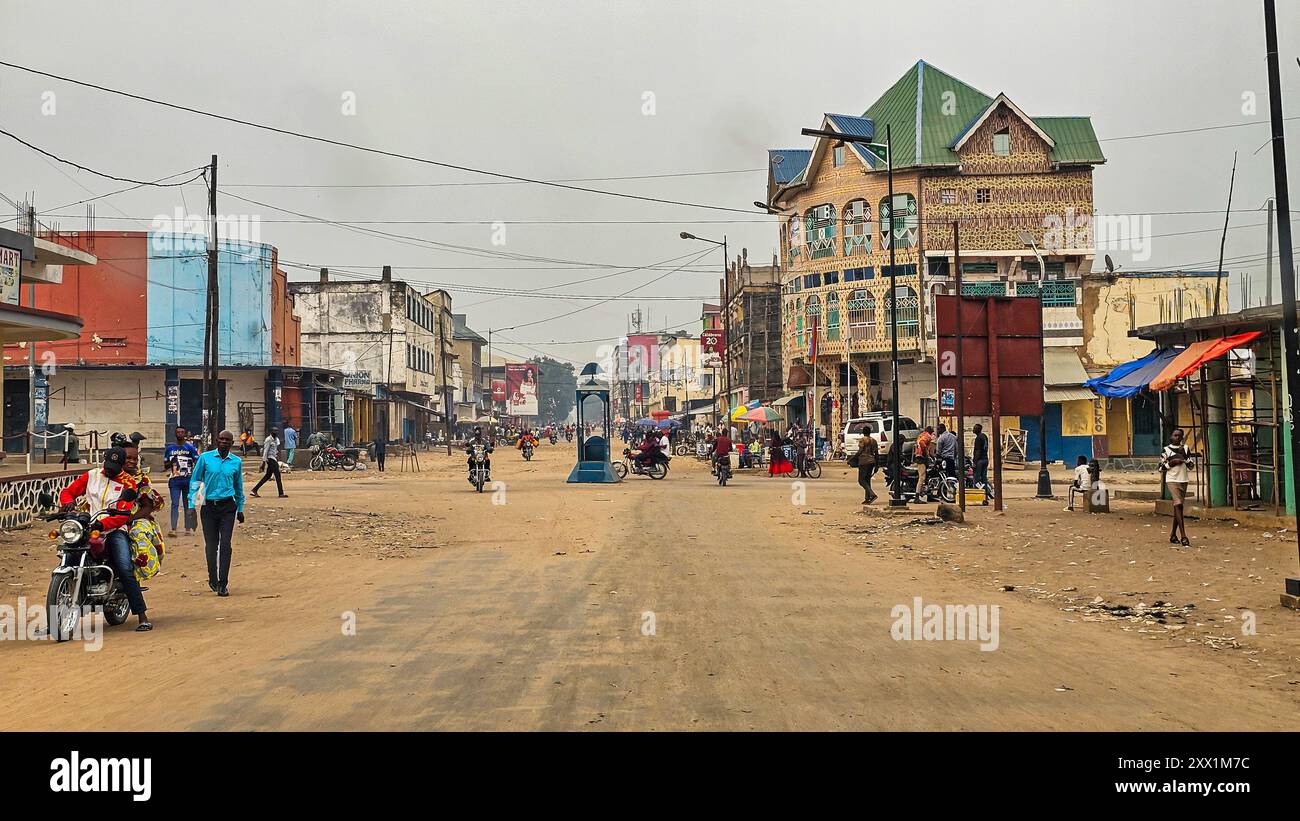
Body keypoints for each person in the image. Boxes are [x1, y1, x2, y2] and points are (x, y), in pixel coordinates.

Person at [59, 447, 153, 631]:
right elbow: (68, 491)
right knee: (67, 558)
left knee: (125, 567)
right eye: (108, 466)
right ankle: (54, 619)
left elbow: (123, 514)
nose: (109, 470)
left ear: (121, 465)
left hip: (114, 529)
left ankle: (142, 615)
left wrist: (103, 525)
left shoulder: (128, 483)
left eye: (114, 467)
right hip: (89, 526)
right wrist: (67, 502)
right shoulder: (92, 475)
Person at [190, 430, 246, 597]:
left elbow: (239, 487)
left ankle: (223, 583)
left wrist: (240, 509)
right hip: (208, 507)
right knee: (211, 546)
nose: (223, 442)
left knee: (226, 544)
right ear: (216, 440)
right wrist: (192, 505)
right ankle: (212, 578)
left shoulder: (236, 462)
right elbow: (195, 480)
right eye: (221, 439)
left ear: (232, 443)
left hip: (228, 507)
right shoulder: (205, 458)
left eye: (227, 440)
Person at [163, 426, 200, 537]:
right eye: (178, 432)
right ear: (175, 434)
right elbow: (165, 465)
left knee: (187, 504)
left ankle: (187, 529)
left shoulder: (190, 448)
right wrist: (172, 462)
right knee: (174, 504)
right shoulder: (170, 449)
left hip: (188, 480)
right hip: (174, 481)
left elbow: (197, 462)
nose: (180, 434)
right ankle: (173, 529)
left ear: (185, 434)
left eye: (182, 432)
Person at [1161, 428, 1195, 546]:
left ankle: (1173, 534)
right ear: (1171, 436)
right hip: (1172, 480)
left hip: (1183, 480)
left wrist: (1184, 457)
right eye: (1174, 435)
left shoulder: (1185, 448)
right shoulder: (1165, 450)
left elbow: (1191, 466)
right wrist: (1172, 462)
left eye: (1178, 436)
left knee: (1178, 508)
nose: (1176, 437)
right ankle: (1184, 536)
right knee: (1178, 504)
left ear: (1181, 438)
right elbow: (1161, 468)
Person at [128, 489, 167, 586]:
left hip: (134, 521)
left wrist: (130, 519)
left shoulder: (140, 482)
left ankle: (141, 570)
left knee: (137, 534)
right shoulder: (98, 478)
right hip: (105, 520)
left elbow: (148, 505)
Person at [251, 427, 286, 498]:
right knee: (277, 475)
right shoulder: (268, 439)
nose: (276, 432)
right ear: (271, 431)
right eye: (274, 431)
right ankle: (281, 493)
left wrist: (278, 458)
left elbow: (276, 450)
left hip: (274, 458)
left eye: (277, 431)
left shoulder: (276, 440)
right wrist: (263, 462)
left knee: (268, 476)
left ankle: (254, 489)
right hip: (270, 459)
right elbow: (265, 451)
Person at [854, 433, 879, 504]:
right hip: (872, 462)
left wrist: (852, 458)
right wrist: (877, 465)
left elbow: (860, 451)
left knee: (861, 480)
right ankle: (867, 498)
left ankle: (872, 494)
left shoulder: (862, 440)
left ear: (863, 432)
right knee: (867, 480)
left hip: (863, 462)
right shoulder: (874, 441)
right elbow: (876, 454)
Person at [913, 425, 935, 502]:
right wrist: (926, 453)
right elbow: (922, 443)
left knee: (925, 476)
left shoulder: (921, 435)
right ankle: (917, 496)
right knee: (922, 477)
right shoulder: (927, 436)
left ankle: (928, 495)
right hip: (921, 458)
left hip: (919, 456)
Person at [971, 423, 990, 497]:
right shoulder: (984, 436)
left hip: (979, 461)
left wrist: (975, 462)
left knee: (977, 479)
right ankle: (985, 494)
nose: (973, 429)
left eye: (974, 428)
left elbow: (978, 451)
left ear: (978, 430)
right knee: (984, 478)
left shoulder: (978, 438)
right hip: (985, 459)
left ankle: (978, 495)